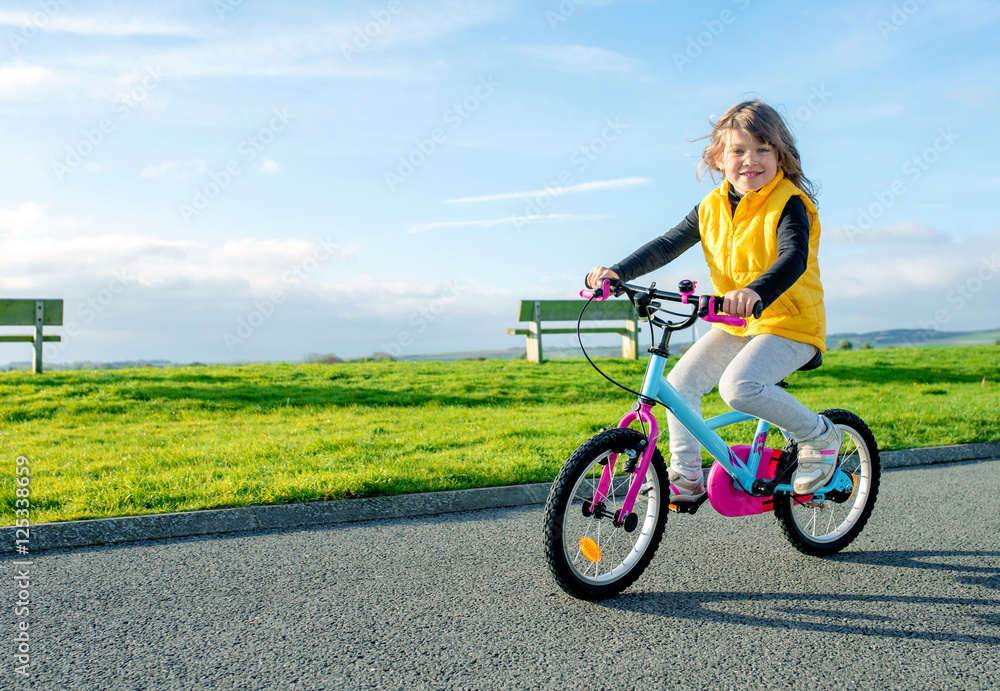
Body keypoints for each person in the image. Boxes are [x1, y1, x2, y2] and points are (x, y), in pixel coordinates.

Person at [586, 99, 841, 502]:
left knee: (738, 387)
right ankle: (686, 475)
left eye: (762, 149)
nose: (750, 160)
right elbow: (668, 243)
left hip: (790, 322)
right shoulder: (710, 208)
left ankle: (819, 436)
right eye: (738, 150)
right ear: (720, 158)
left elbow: (793, 258)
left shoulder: (789, 203)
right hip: (736, 322)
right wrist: (617, 272)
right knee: (679, 385)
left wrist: (756, 292)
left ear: (781, 155)